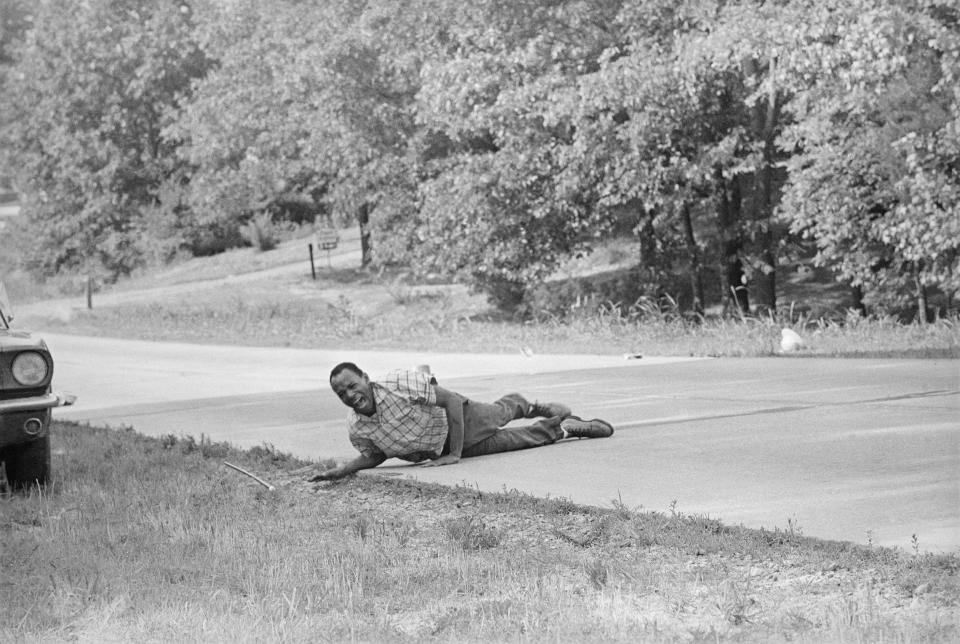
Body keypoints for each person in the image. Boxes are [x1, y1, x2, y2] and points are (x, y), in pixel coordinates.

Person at [308, 362, 615, 481]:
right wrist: (343, 470)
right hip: (440, 448)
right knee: (515, 441)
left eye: (352, 385)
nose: (349, 395)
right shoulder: (357, 427)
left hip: (460, 418)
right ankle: (565, 427)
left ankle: (527, 404)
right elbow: (375, 454)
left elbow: (452, 400)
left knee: (499, 415)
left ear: (365, 378)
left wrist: (454, 455)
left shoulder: (395, 383)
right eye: (341, 393)